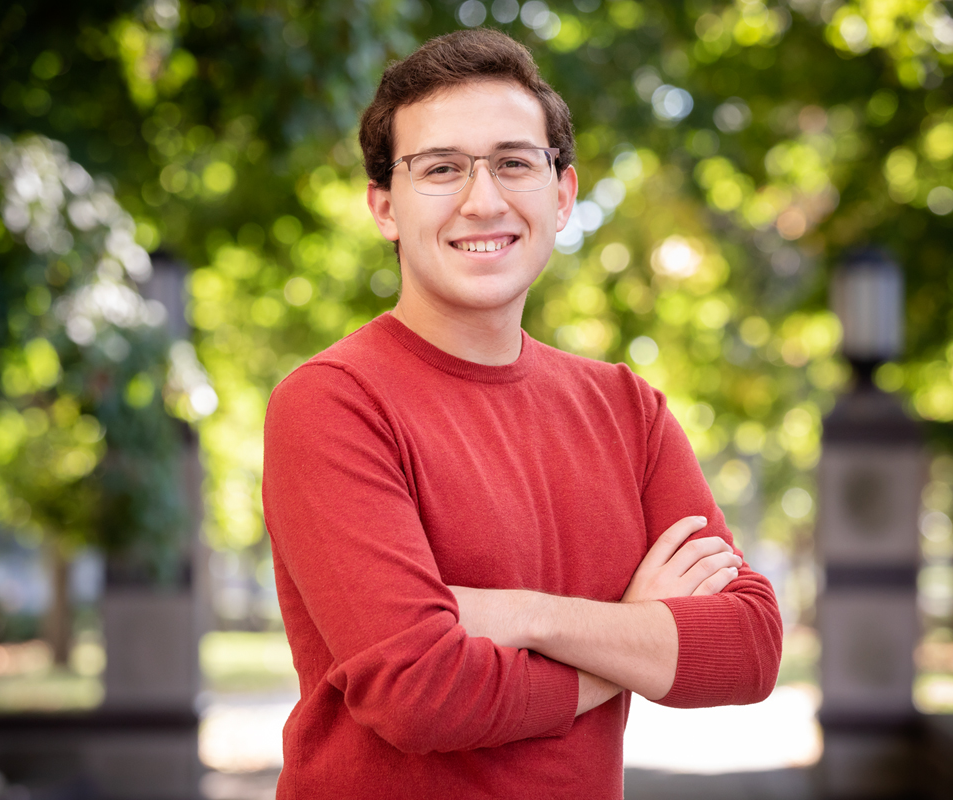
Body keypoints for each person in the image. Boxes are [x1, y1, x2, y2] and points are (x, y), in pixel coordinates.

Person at [262, 28, 782, 799]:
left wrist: (526, 618)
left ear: (563, 194)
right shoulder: (332, 402)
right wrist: (629, 631)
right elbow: (421, 695)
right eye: (440, 169)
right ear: (385, 208)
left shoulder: (626, 409)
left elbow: (748, 649)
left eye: (514, 162)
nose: (483, 200)